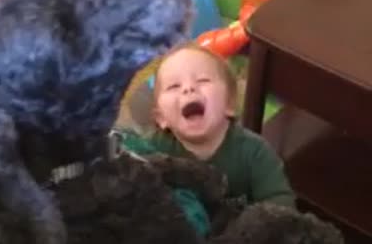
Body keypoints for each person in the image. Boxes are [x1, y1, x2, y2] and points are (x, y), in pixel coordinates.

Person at [118, 42, 295, 236]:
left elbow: (280, 203)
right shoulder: (154, 150)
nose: (188, 89)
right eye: (174, 86)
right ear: (161, 118)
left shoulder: (255, 152)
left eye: (203, 80)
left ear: (229, 104)